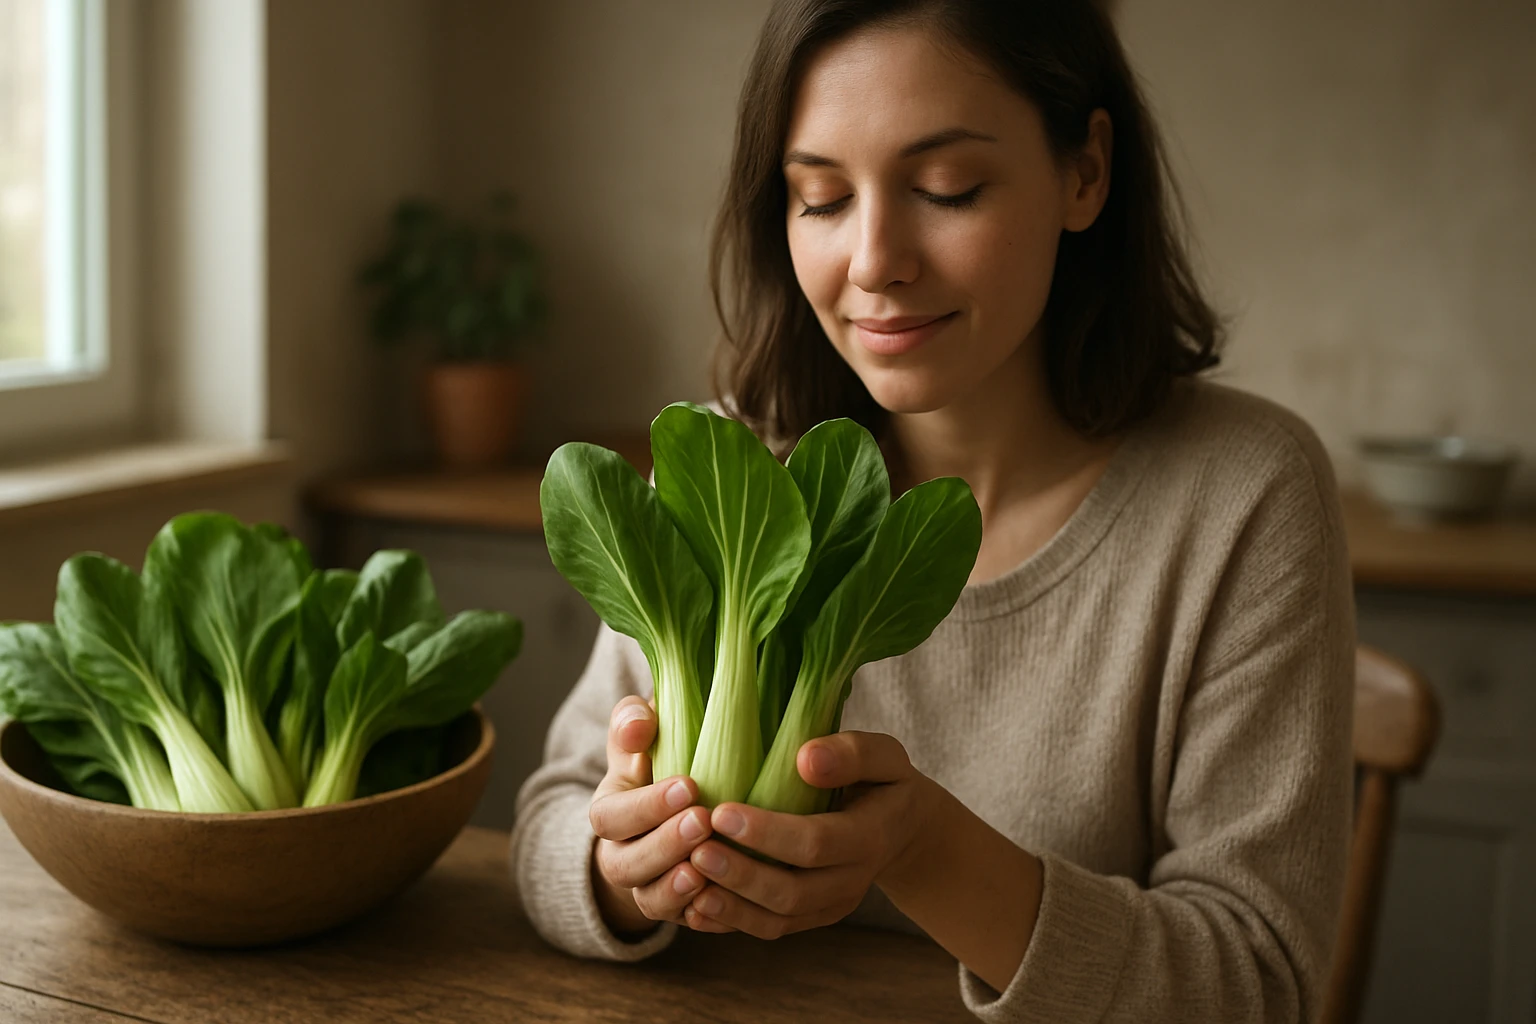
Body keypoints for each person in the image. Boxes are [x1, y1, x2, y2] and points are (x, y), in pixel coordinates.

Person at [511, 1, 1355, 1021]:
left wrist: (925, 850)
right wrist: (621, 870)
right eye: (820, 199)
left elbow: (1257, 985)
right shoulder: (739, 459)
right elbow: (553, 815)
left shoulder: (1242, 495)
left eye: (946, 188)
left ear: (1085, 171)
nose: (874, 262)